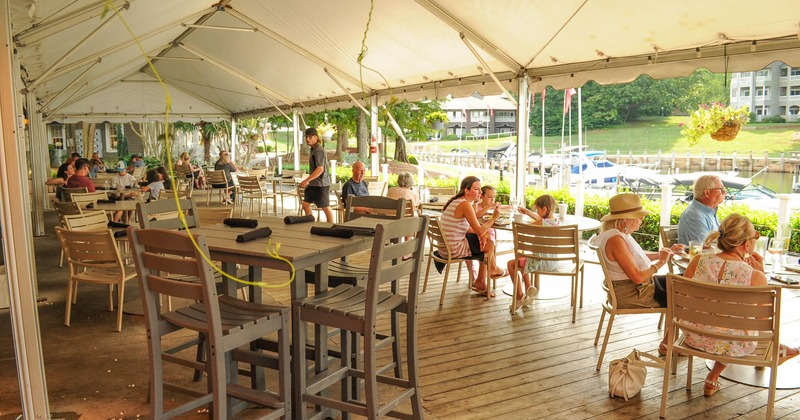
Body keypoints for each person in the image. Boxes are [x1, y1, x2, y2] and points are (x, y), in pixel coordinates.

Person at [682, 213, 799, 397]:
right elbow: (763, 323)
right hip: (733, 345)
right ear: (746, 244)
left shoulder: (698, 261)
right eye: (755, 237)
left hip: (693, 335)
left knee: (728, 323)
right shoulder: (754, 275)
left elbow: (683, 300)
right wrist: (760, 274)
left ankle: (715, 374)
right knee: (739, 329)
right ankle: (779, 350)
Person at [438, 176, 505, 297]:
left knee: (485, 240)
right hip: (453, 249)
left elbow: (468, 228)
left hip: (444, 247)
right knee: (488, 244)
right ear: (466, 190)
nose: (480, 192)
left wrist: (481, 234)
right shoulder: (465, 205)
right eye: (477, 189)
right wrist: (494, 217)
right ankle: (489, 272)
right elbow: (479, 230)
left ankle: (484, 277)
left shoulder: (457, 202)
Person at [506, 194, 560, 311]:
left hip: (542, 262)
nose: (537, 212)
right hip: (553, 261)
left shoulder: (541, 223)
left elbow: (523, 228)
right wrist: (528, 213)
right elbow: (541, 220)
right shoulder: (555, 221)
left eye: (538, 209)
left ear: (544, 209)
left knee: (511, 264)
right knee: (521, 255)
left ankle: (519, 296)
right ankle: (529, 287)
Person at [677, 174, 725, 246]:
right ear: (707, 193)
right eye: (721, 189)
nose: (724, 192)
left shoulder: (709, 212)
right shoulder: (693, 214)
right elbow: (704, 246)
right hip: (700, 256)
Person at [299, 128, 334, 222]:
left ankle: (331, 227)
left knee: (325, 207)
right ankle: (309, 222)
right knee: (305, 204)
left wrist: (307, 180)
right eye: (306, 137)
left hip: (321, 184)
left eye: (310, 137)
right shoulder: (313, 149)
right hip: (313, 184)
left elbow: (320, 169)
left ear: (316, 137)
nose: (307, 139)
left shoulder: (319, 150)